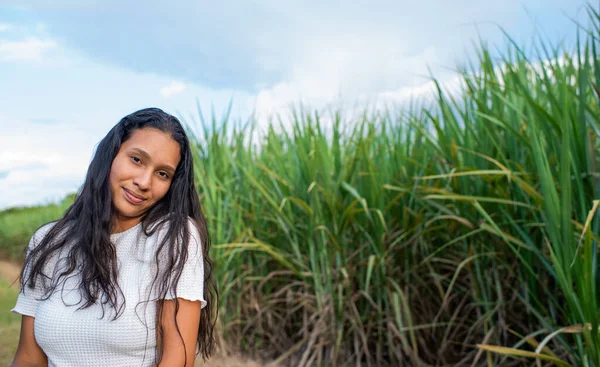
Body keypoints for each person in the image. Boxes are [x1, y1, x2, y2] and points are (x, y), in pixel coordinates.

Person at [10, 107, 218, 367]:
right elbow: (29, 359)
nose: (144, 181)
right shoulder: (48, 242)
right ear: (111, 155)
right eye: (137, 159)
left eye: (162, 173)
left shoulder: (173, 238)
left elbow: (178, 361)